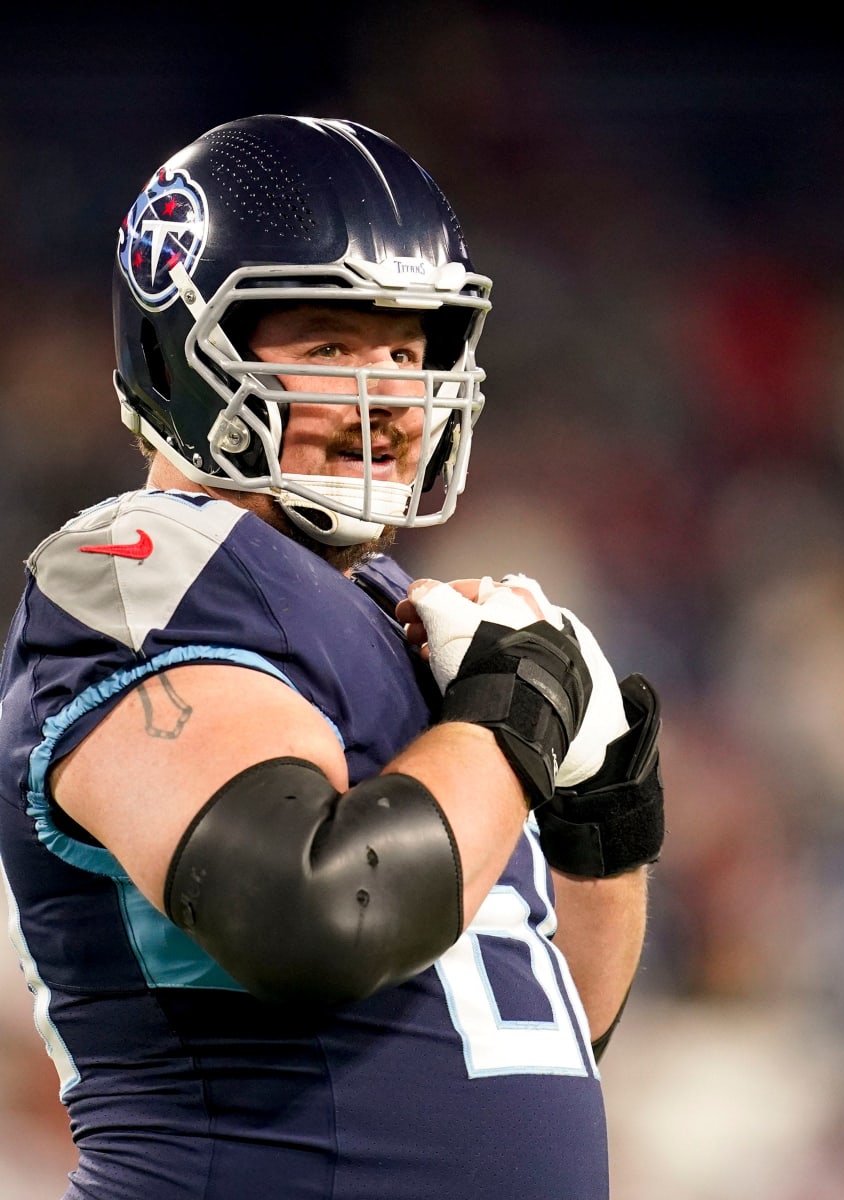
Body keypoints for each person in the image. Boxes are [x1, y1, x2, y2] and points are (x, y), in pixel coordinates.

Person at [0, 114, 665, 1200]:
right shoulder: (138, 568)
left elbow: (546, 1026)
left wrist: (602, 821)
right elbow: (317, 913)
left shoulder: (402, 614)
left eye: (407, 350)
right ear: (185, 354)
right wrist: (513, 719)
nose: (390, 396)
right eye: (329, 348)